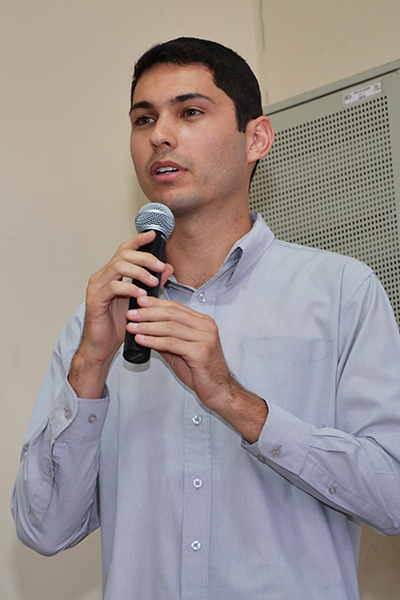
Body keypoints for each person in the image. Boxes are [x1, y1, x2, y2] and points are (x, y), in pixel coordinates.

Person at [12, 37, 400, 600]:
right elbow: (43, 529)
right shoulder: (96, 324)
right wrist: (91, 365)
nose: (159, 136)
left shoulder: (341, 293)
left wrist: (234, 400)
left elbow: (392, 496)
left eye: (190, 112)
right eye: (144, 119)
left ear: (256, 138)